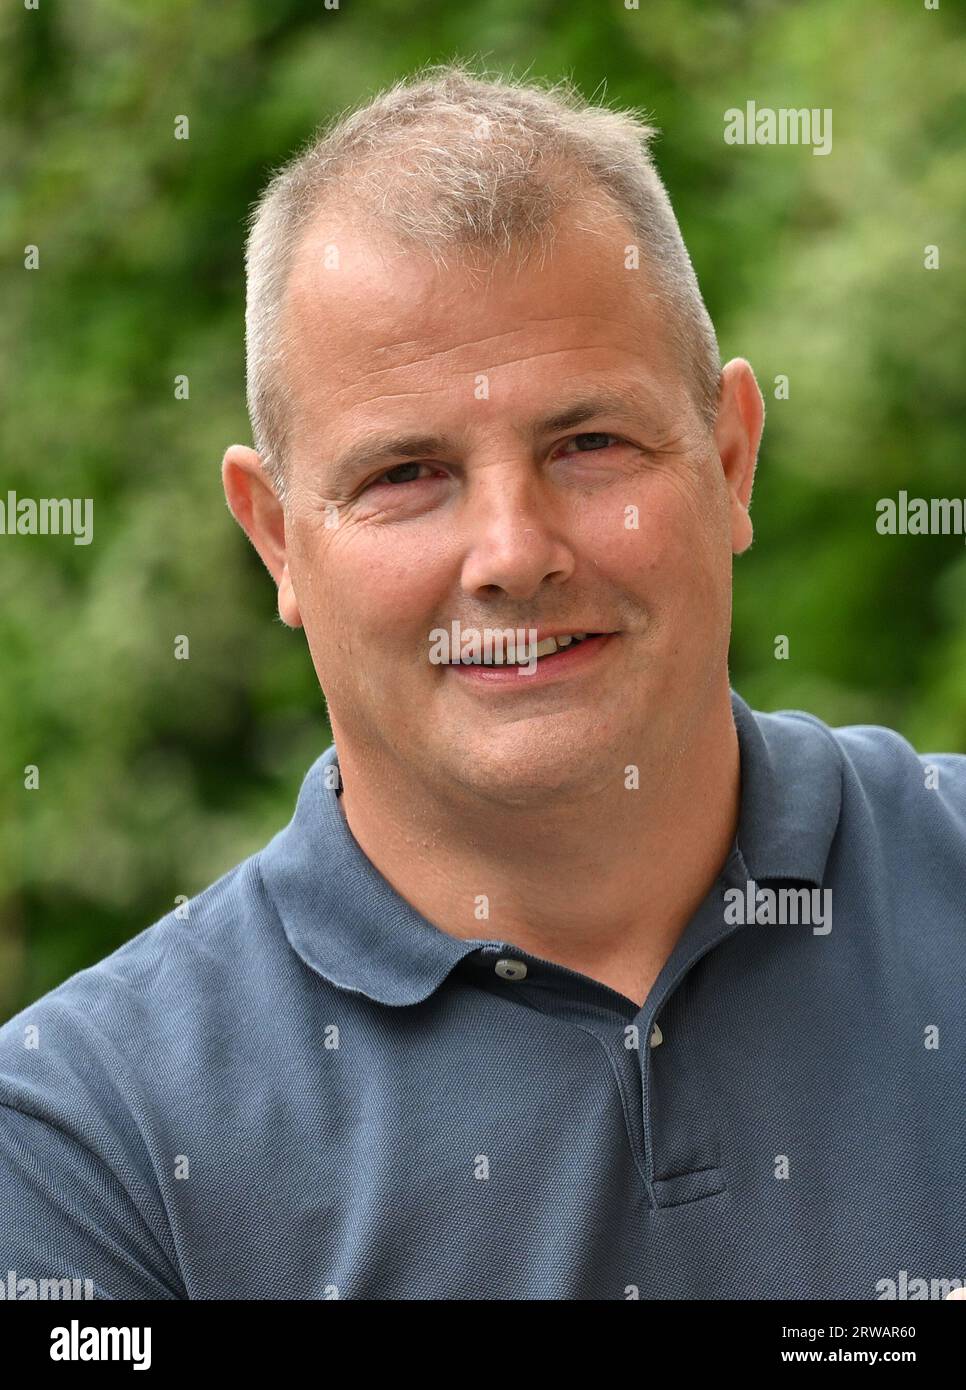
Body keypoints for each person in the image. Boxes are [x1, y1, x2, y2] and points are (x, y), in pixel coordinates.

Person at [1, 63, 964, 1302]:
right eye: (408, 473)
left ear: (731, 458)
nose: (512, 555)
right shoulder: (84, 1150)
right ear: (280, 538)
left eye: (589, 443)